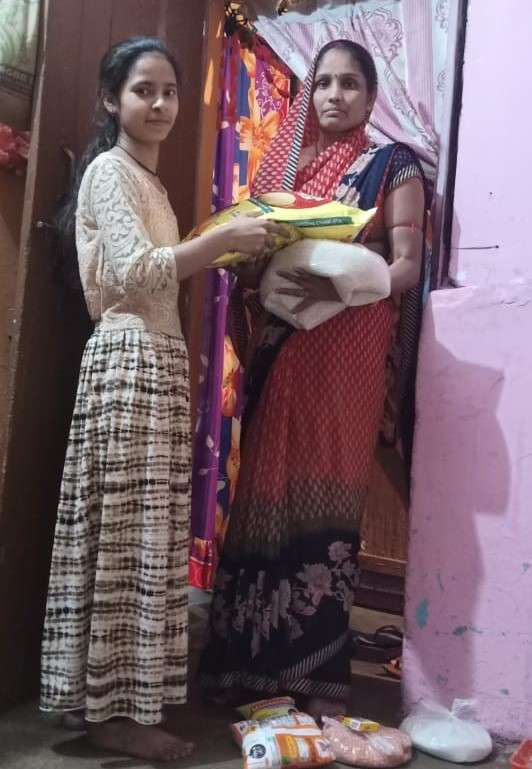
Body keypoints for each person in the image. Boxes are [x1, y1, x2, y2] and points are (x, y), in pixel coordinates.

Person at [39, 37, 285, 763]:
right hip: (125, 361)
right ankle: (111, 713)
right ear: (112, 100)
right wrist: (218, 242)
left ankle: (126, 703)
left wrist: (231, 242)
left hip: (159, 365)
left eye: (170, 91)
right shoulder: (109, 175)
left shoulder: (155, 186)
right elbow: (144, 273)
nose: (159, 104)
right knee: (123, 539)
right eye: (143, 90)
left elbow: (162, 272)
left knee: (145, 542)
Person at [199, 39, 427, 719]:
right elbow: (246, 258)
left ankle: (306, 670)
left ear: (371, 94)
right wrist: (248, 261)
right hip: (284, 344)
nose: (333, 95)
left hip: (347, 352)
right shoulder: (282, 170)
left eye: (349, 83)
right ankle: (242, 663)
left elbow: (408, 265)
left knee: (323, 493)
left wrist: (350, 275)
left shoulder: (393, 164)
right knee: (264, 486)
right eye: (322, 83)